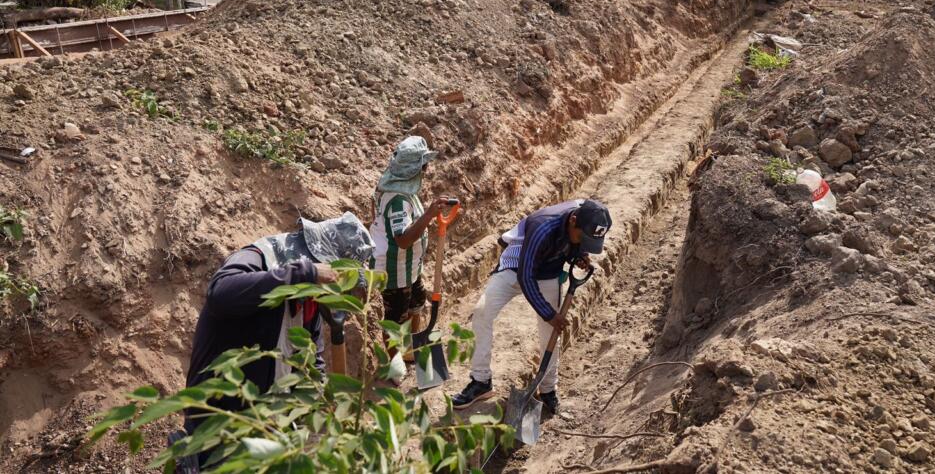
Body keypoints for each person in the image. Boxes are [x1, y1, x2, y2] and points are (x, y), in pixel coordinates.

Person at [178, 213, 374, 469]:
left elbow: (311, 362)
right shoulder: (258, 259)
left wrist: (323, 413)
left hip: (265, 430)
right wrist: (304, 273)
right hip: (218, 426)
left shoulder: (308, 303)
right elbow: (220, 294)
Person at [452, 199, 613, 415]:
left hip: (549, 270)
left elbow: (576, 240)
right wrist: (549, 314)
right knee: (482, 312)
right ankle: (480, 381)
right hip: (518, 264)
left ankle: (548, 390)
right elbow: (525, 276)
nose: (584, 243)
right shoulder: (543, 226)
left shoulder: (585, 215)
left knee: (550, 334)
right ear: (573, 220)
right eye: (582, 238)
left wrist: (580, 254)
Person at [370, 136, 452, 341]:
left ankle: (412, 346)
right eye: (424, 166)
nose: (426, 170)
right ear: (416, 170)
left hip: (408, 268)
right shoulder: (398, 200)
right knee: (395, 319)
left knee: (417, 302)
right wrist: (429, 215)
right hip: (393, 272)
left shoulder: (405, 191)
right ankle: (393, 368)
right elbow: (403, 241)